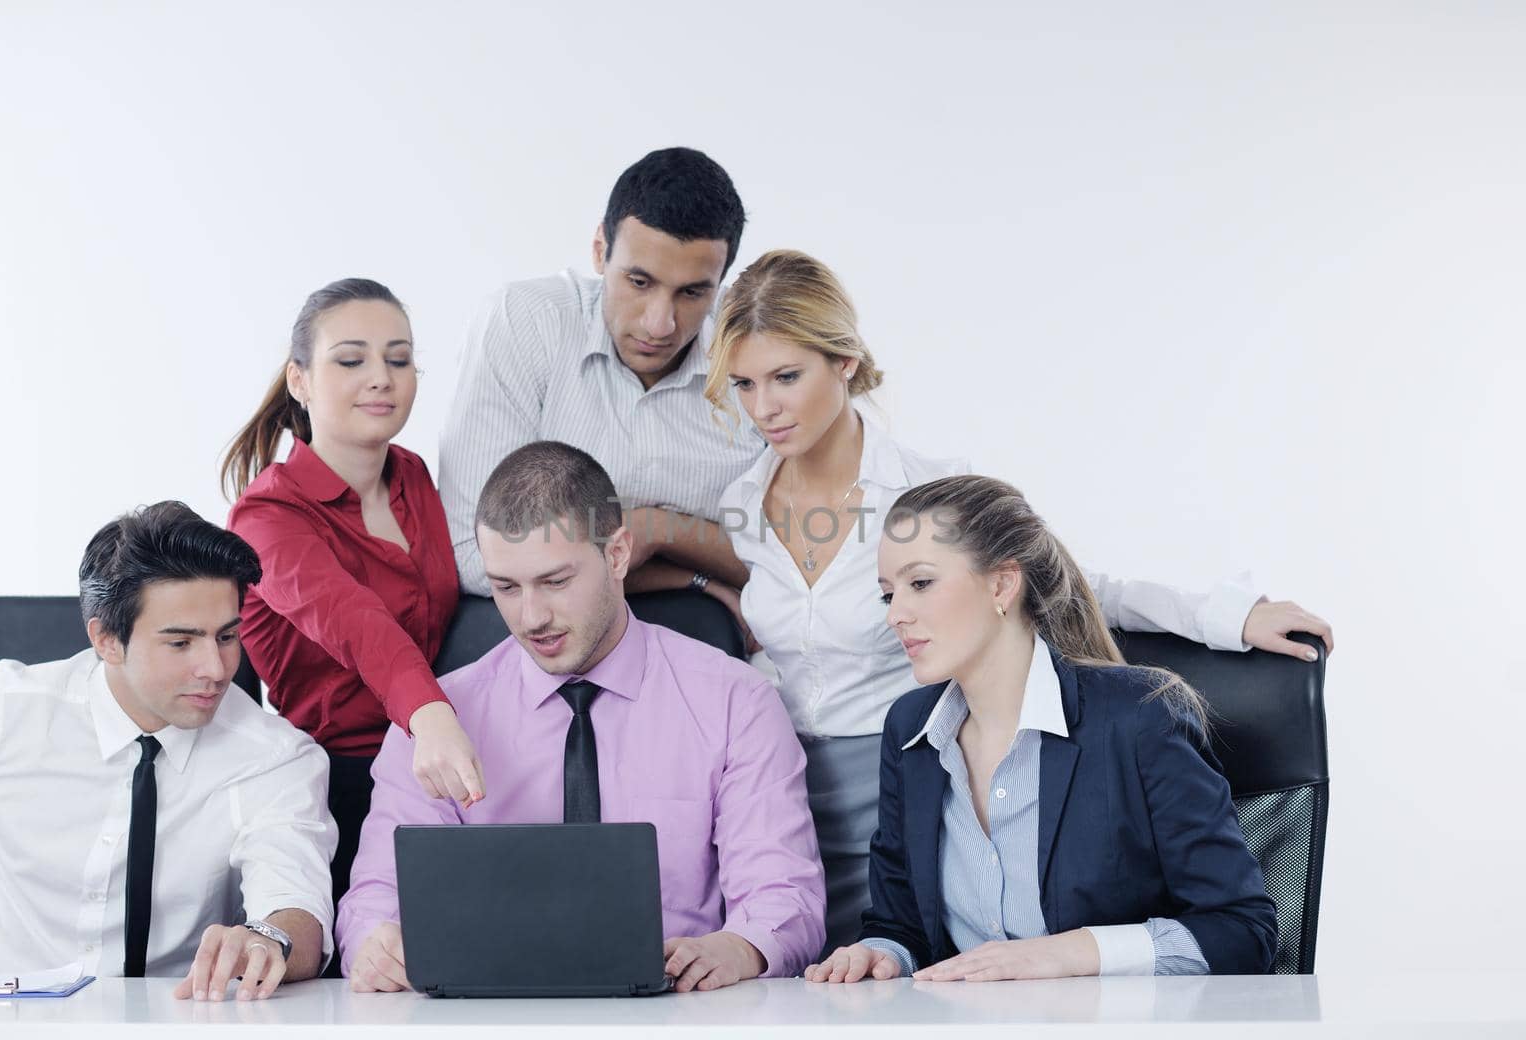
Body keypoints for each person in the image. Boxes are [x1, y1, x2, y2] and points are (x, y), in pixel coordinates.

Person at [705, 249, 1333, 952]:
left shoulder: (922, 491)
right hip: (789, 795)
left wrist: (1224, 616)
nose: (764, 407)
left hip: (913, 778)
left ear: (845, 361)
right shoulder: (741, 503)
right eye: (745, 384)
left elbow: (1063, 578)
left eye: (786, 377)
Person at [338, 441, 824, 993]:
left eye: (555, 581)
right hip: (485, 1015)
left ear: (617, 555)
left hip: (677, 1011)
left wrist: (738, 948)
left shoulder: (736, 701)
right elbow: (374, 897)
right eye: (506, 587)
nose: (531, 617)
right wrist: (378, 943)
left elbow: (784, 895)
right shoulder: (436, 719)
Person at [808, 476, 1278, 982]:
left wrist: (1069, 953)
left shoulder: (1140, 716)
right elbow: (901, 923)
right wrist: (882, 953)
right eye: (887, 595)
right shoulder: (911, 729)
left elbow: (1242, 932)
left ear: (1002, 585)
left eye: (920, 583)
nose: (897, 615)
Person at [0, 502, 335, 1000]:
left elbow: (297, 909)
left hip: (182, 1019)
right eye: (181, 643)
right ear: (106, 639)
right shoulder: (5, 713)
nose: (216, 667)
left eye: (227, 636)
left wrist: (267, 939)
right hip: (8, 1022)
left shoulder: (274, 756)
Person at [223, 278, 484, 920]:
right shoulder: (267, 514)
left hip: (436, 766)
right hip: (333, 783)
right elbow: (356, 621)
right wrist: (430, 716)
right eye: (351, 360)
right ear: (300, 379)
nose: (382, 378)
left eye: (399, 359)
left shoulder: (416, 476)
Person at [437, 147, 758, 630]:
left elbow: (798, 563)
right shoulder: (525, 323)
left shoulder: (756, 346)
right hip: (536, 637)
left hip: (709, 642)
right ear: (599, 251)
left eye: (692, 292)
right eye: (639, 281)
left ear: (722, 283)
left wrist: (660, 528)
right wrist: (692, 576)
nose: (660, 323)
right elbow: (473, 554)